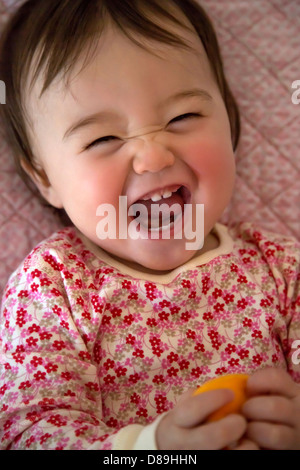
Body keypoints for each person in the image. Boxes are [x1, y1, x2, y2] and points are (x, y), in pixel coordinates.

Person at [0, 0, 299, 450]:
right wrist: (149, 449)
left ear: (229, 122)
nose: (154, 155)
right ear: (44, 178)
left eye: (183, 117)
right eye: (102, 138)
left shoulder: (282, 270)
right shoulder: (52, 286)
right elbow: (27, 430)